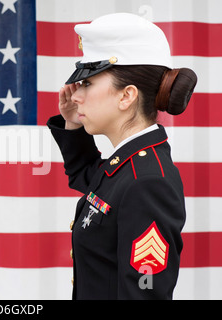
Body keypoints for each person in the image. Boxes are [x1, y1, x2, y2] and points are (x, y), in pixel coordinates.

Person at [47, 13, 197, 299]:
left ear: (126, 96)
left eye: (87, 83)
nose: (75, 95)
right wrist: (73, 124)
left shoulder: (147, 182)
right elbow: (88, 176)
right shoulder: (128, 165)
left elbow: (144, 293)